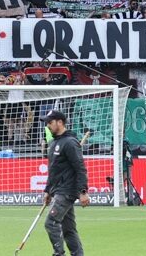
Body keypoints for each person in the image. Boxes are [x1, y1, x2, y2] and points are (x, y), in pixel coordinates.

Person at [43, 109, 88, 256]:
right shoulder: (53, 143)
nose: (48, 125)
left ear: (60, 122)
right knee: (68, 228)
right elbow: (54, 170)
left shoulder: (70, 143)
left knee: (51, 222)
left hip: (67, 191)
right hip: (58, 190)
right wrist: (48, 190)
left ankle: (58, 253)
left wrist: (83, 192)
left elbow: (80, 168)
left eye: (50, 122)